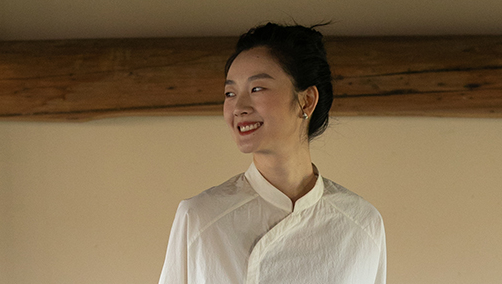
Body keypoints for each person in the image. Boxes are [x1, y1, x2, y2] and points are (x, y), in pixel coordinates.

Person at [157, 23, 387, 284]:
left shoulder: (362, 223)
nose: (238, 107)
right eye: (230, 93)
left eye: (257, 89)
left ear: (306, 101)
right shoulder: (201, 217)